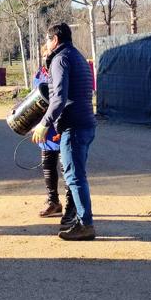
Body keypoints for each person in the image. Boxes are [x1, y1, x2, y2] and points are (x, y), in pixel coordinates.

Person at [31, 23, 96, 241]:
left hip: (74, 126)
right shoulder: (77, 56)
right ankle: (81, 219)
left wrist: (44, 123)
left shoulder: (60, 59)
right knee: (77, 175)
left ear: (55, 39)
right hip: (86, 123)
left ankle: (85, 224)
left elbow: (58, 98)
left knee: (74, 176)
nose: (46, 44)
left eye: (47, 39)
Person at [32, 50, 75, 223]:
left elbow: (62, 97)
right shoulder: (40, 73)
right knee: (48, 164)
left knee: (67, 168)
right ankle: (53, 202)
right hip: (46, 127)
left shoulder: (62, 67)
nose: (45, 57)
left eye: (47, 53)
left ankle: (71, 207)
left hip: (61, 123)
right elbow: (34, 98)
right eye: (43, 55)